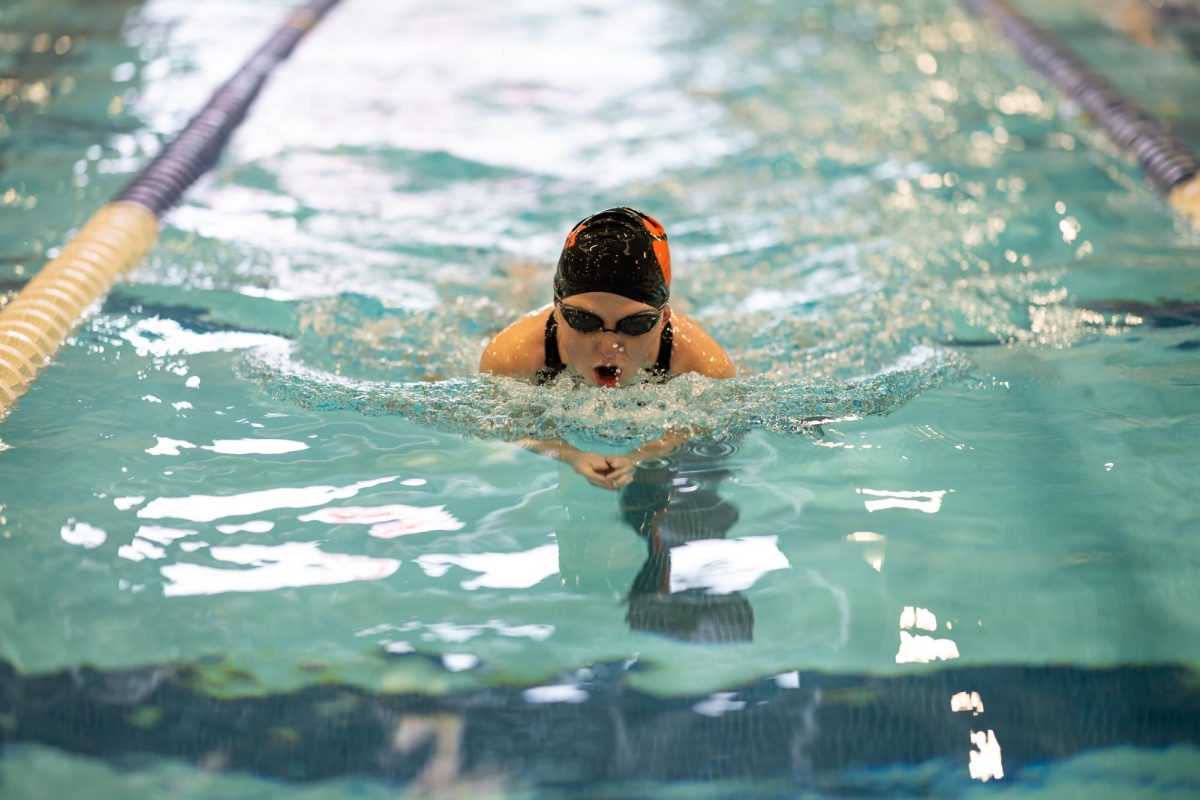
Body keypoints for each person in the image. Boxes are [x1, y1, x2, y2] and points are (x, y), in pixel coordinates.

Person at [479, 207, 736, 489]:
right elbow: (504, 426)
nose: (609, 346)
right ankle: (521, 279)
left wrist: (643, 455)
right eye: (584, 320)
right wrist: (567, 453)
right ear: (556, 309)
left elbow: (702, 430)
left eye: (635, 324)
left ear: (663, 319)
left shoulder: (705, 366)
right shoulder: (510, 356)